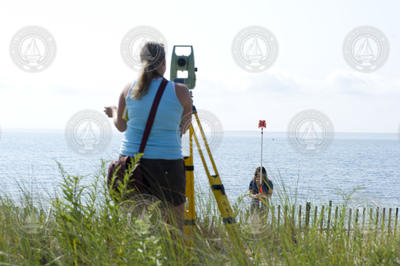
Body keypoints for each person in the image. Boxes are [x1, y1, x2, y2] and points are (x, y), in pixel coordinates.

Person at [104, 42, 193, 231]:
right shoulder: (182, 92)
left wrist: (113, 111)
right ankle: (175, 259)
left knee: (136, 227)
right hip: (168, 163)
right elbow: (183, 129)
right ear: (163, 63)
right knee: (175, 227)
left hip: (132, 164)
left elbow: (120, 126)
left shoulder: (128, 89)